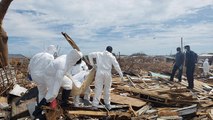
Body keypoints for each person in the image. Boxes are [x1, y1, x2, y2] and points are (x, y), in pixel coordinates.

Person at [29, 48, 82, 119]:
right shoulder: (61, 65)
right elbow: (58, 80)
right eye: (75, 63)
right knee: (52, 94)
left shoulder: (66, 57)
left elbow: (30, 65)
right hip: (49, 76)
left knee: (68, 83)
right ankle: (37, 112)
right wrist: (54, 93)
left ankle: (63, 104)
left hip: (38, 75)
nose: (74, 64)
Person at [88, 46, 124, 110]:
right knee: (107, 89)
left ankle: (95, 105)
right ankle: (107, 103)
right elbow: (116, 65)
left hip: (99, 72)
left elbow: (89, 55)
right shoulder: (111, 56)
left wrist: (92, 64)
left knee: (98, 88)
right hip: (107, 73)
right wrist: (121, 74)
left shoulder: (99, 53)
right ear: (111, 51)